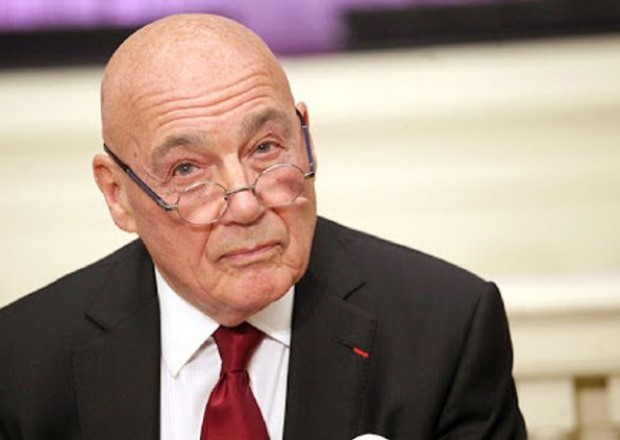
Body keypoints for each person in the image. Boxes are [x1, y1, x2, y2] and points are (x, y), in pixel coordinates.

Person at [0, 13, 526, 440]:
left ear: (304, 137)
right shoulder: (21, 365)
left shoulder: (445, 331)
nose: (247, 205)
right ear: (118, 195)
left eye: (266, 148)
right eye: (187, 170)